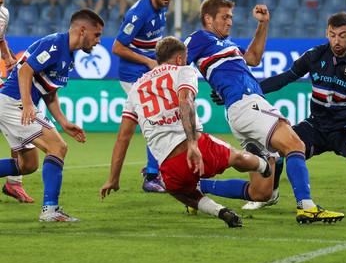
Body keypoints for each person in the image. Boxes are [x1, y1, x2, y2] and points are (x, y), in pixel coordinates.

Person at [211, 12, 346, 215]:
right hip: (317, 124)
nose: (337, 41)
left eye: (342, 35)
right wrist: (243, 92)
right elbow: (285, 77)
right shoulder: (315, 55)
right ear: (326, 33)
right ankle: (272, 194)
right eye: (332, 35)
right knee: (277, 150)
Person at [184, 0, 344, 224]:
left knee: (261, 192)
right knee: (295, 144)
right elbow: (177, 61)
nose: (230, 22)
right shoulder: (200, 38)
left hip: (240, 110)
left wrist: (263, 23)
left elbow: (254, 58)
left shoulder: (228, 46)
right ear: (208, 18)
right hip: (247, 103)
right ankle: (307, 207)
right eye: (225, 17)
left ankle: (195, 186)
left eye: (231, 17)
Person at [100, 37, 272, 227]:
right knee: (237, 157)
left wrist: (113, 180)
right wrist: (192, 144)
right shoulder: (184, 71)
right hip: (198, 149)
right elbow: (185, 101)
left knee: (180, 192)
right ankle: (263, 165)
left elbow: (123, 139)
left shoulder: (136, 89)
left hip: (169, 167)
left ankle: (219, 211)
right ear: (181, 59)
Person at [0, 8, 104, 221]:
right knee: (58, 147)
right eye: (97, 35)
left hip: (13, 104)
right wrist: (28, 104)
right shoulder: (55, 44)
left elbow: (50, 92)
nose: (99, 41)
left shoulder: (69, 55)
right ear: (83, 30)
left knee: (28, 165)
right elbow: (24, 70)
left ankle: (50, 209)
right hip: (15, 103)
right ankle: (50, 210)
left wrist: (64, 123)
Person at [112, 0, 175, 193]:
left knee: (161, 116)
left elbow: (153, 42)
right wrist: (148, 62)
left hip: (148, 71)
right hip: (132, 74)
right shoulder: (138, 13)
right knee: (155, 118)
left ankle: (154, 170)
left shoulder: (162, 8)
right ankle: (151, 176)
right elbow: (117, 47)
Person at [0, 0, 34, 203]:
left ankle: (14, 183)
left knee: (17, 123)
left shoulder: (4, 13)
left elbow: (0, 38)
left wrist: (8, 57)